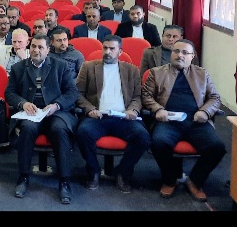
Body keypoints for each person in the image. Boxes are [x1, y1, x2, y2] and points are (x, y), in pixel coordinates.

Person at [142, 38, 226, 201]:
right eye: (176, 51)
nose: (180, 55)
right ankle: (170, 180)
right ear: (171, 53)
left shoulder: (202, 74)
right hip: (168, 120)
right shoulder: (157, 72)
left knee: (217, 147)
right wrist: (158, 109)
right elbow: (146, 95)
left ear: (192, 56)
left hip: (196, 121)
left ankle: (195, 181)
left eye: (185, 53)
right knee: (159, 142)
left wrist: (205, 111)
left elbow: (215, 98)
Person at [5, 34, 79, 204]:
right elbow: (9, 93)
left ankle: (64, 181)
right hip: (31, 113)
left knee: (59, 130)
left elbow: (72, 92)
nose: (36, 50)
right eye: (33, 46)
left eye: (40, 47)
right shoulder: (18, 68)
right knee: (28, 129)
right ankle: (23, 177)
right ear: (29, 48)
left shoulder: (60, 66)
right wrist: (23, 103)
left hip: (55, 112)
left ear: (48, 50)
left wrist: (57, 105)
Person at [74, 35, 149, 193]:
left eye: (112, 49)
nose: (107, 52)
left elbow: (137, 97)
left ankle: (123, 172)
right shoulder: (88, 67)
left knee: (143, 137)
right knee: (83, 132)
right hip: (98, 116)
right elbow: (78, 93)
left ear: (120, 52)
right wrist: (90, 109)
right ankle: (93, 171)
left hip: (123, 118)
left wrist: (133, 110)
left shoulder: (132, 70)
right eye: (105, 48)